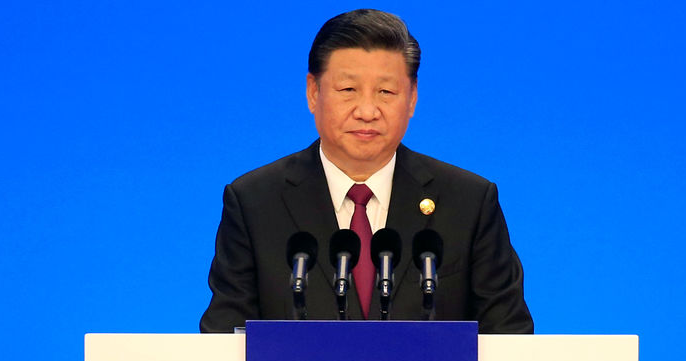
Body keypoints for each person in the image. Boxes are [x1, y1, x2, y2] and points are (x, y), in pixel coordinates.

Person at [200, 9, 533, 334]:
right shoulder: (255, 201)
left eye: (386, 92)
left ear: (413, 98)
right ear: (313, 92)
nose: (367, 111)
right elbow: (224, 340)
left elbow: (510, 339)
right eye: (348, 90)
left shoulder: (468, 202)